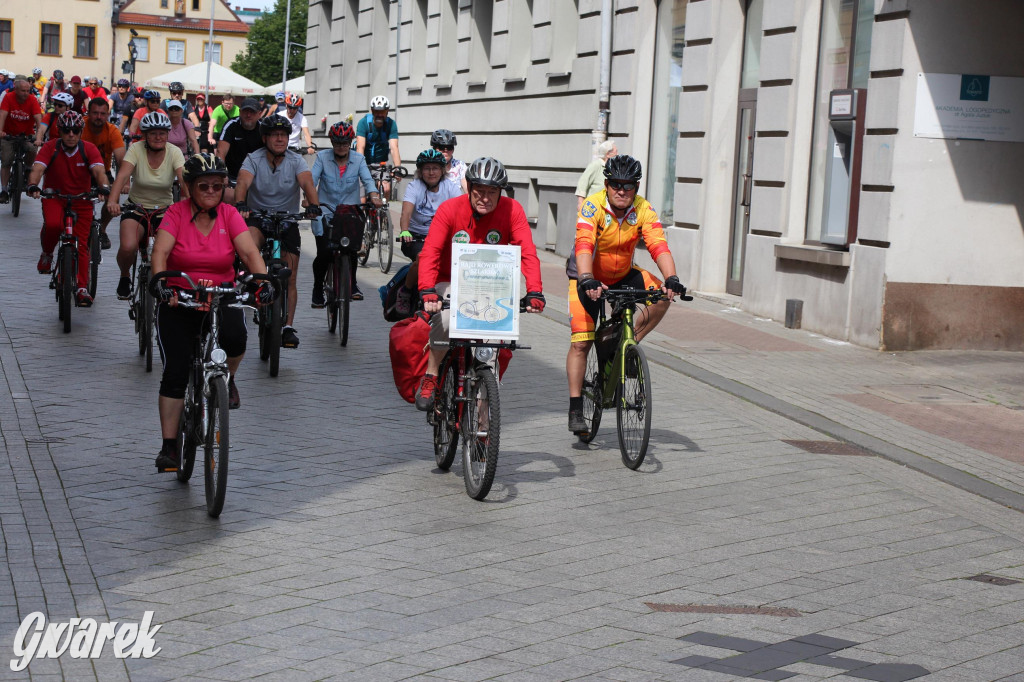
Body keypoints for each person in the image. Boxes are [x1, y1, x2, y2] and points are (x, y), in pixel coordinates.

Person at [149, 153, 271, 471]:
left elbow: (249, 252)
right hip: (180, 299)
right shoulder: (175, 213)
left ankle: (226, 380)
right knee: (175, 372)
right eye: (203, 185)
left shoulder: (230, 215)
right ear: (190, 186)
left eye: (218, 186)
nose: (211, 191)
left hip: (220, 296)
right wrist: (162, 285)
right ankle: (170, 447)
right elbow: (160, 252)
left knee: (236, 338)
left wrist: (263, 283)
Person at [565, 155, 687, 434]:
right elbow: (584, 244)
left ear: (636, 186)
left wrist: (672, 278)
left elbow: (658, 244)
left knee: (662, 295)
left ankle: (629, 347)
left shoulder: (643, 208)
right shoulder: (593, 206)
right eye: (616, 185)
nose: (622, 191)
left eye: (629, 186)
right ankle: (574, 408)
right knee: (581, 343)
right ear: (606, 184)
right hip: (586, 276)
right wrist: (586, 279)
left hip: (621, 273)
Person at [415, 157, 545, 411]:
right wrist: (428, 290)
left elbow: (527, 252)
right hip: (449, 281)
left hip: (491, 286)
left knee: (494, 346)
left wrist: (535, 290)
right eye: (479, 191)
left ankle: (484, 422)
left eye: (492, 192)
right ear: (469, 188)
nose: (485, 198)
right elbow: (430, 251)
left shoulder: (512, 210)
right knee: (447, 319)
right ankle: (431, 375)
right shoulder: (450, 210)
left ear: (500, 193)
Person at [233, 114, 320, 350]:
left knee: (290, 276)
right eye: (275, 135)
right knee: (248, 244)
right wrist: (241, 203)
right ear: (265, 138)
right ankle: (253, 284)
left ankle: (287, 326)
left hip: (287, 219)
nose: (280, 139)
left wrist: (313, 205)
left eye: (283, 135)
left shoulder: (295, 160)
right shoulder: (254, 159)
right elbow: (242, 183)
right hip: (259, 218)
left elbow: (307, 183)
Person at [25, 110, 111, 307]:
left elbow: (99, 171)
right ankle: (47, 253)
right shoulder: (50, 147)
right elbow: (37, 169)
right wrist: (33, 185)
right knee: (54, 225)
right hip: (55, 197)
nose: (71, 134)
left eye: (75, 130)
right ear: (60, 131)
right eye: (66, 130)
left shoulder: (88, 149)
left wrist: (103, 188)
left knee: (82, 244)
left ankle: (82, 287)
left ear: (81, 131)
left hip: (82, 200)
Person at [106, 112, 187, 299]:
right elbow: (123, 176)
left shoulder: (174, 151)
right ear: (145, 135)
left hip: (165, 210)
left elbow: (184, 180)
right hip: (136, 208)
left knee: (171, 250)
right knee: (128, 247)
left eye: (162, 133)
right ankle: (125, 276)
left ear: (168, 134)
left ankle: (166, 282)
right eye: (153, 133)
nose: (158, 137)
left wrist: (189, 205)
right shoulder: (136, 149)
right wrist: (112, 200)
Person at [309, 120, 381, 307]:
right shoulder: (322, 157)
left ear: (350, 142)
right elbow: (312, 180)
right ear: (332, 142)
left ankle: (353, 284)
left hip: (348, 212)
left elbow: (368, 180)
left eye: (345, 142)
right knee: (324, 252)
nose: (341, 146)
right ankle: (318, 289)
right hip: (325, 210)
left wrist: (374, 196)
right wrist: (309, 200)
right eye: (337, 142)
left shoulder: (358, 159)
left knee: (351, 250)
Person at [398, 148, 461, 292]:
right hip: (416, 238)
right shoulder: (414, 186)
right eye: (427, 169)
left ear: (442, 170)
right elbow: (406, 213)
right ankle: (405, 292)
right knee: (422, 258)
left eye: (435, 168)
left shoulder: (450, 187)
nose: (431, 172)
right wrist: (404, 231)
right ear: (420, 171)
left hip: (442, 238)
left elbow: (461, 211)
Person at [82, 97, 126, 250]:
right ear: (88, 113)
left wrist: (125, 182)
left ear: (108, 115)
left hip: (103, 173)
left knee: (113, 197)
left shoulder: (112, 131)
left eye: (103, 113)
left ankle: (102, 228)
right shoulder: (80, 126)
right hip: (80, 172)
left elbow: (121, 159)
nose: (99, 117)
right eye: (95, 113)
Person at [0, 76, 43, 204]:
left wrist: (39, 138)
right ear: (16, 90)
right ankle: (4, 190)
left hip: (26, 135)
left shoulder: (32, 100)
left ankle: (28, 168)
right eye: (23, 91)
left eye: (28, 91)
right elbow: (2, 114)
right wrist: (0, 131)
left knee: (32, 149)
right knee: (7, 160)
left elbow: (39, 120)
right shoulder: (8, 97)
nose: (26, 93)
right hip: (8, 135)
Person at [216, 97, 263, 204]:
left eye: (252, 112)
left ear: (259, 114)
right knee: (229, 197)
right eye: (246, 111)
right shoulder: (231, 125)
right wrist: (223, 174)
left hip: (256, 177)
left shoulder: (263, 129)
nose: (249, 115)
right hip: (233, 175)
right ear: (240, 112)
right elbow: (220, 152)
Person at [355, 95, 401, 198]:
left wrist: (397, 168)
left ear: (387, 111)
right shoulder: (364, 123)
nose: (379, 114)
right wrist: (361, 167)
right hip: (364, 163)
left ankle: (383, 212)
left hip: (380, 165)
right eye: (377, 111)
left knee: (386, 189)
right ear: (372, 111)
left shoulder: (391, 124)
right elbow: (360, 148)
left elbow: (394, 148)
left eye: (382, 111)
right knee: (361, 199)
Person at [575, 140, 618, 212]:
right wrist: (580, 203)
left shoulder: (613, 168)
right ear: (608, 154)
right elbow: (583, 183)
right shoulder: (596, 165)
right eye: (616, 152)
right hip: (592, 208)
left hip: (606, 208)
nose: (617, 155)